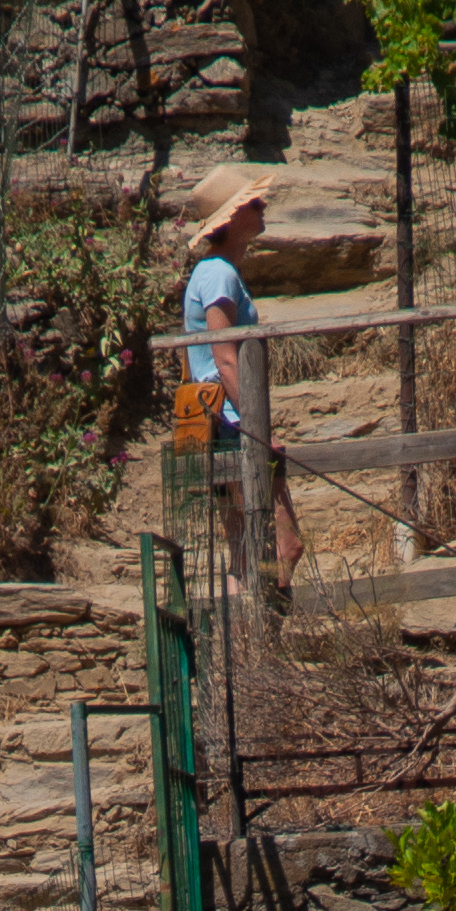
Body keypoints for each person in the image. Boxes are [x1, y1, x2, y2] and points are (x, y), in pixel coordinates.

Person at [178, 166, 306, 605]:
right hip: (233, 426)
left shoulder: (215, 271)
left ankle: (248, 631)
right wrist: (257, 428)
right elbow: (225, 358)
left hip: (225, 424)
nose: (262, 206)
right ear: (232, 217)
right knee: (283, 546)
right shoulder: (218, 274)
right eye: (254, 202)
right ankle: (261, 626)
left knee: (248, 551)